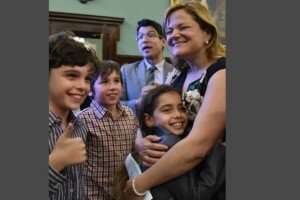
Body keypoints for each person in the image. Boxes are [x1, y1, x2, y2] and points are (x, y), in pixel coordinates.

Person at [124, 2, 226, 199]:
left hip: (215, 179)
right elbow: (142, 109)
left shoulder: (221, 73)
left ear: (207, 34)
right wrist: (139, 140)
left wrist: (138, 184)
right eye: (169, 31)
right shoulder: (179, 73)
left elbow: (198, 146)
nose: (174, 35)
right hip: (181, 174)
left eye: (183, 27)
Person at [114, 85, 225, 200]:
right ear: (149, 120)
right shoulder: (166, 144)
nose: (177, 115)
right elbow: (195, 196)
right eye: (167, 110)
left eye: (181, 109)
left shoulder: (162, 140)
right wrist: (217, 146)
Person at [77, 60, 139, 199]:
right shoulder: (83, 119)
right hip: (93, 194)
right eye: (104, 82)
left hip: (124, 192)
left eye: (116, 81)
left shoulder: (129, 115)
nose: (113, 87)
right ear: (91, 91)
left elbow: (135, 151)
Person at [49, 31, 98, 200]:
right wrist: (56, 162)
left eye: (87, 78)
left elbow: (76, 183)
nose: (83, 86)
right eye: (72, 75)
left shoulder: (80, 125)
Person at [120, 19, 173, 114]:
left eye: (151, 35)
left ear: (163, 41)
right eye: (140, 37)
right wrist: (138, 103)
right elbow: (115, 104)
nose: (144, 40)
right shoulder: (126, 71)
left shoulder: (176, 71)